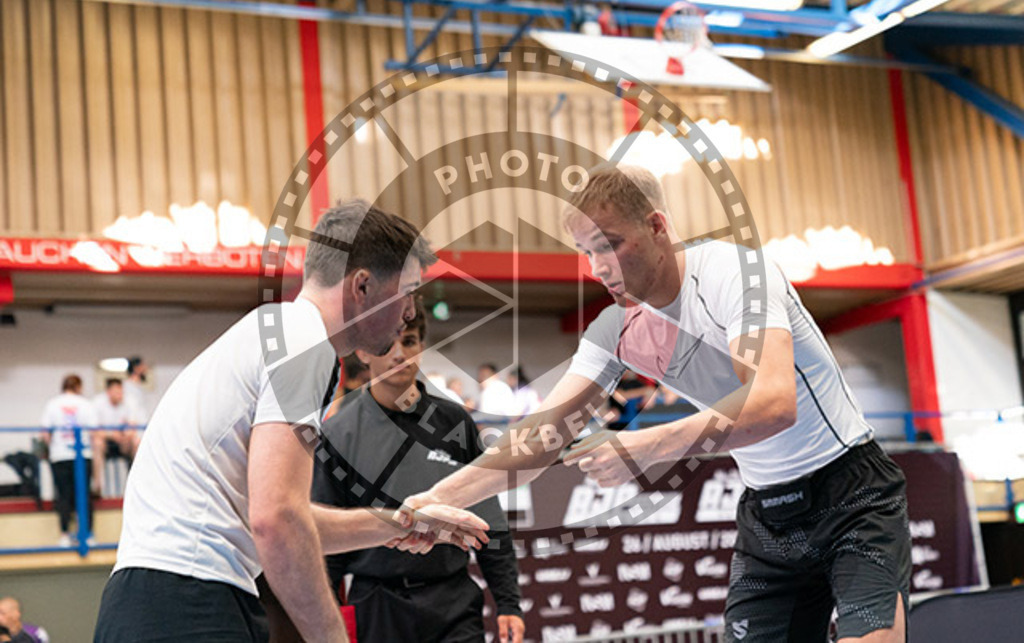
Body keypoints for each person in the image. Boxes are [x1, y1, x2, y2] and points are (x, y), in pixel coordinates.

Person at [401, 166, 911, 643]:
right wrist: (438, 498)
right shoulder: (615, 330)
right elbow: (538, 437)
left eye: (611, 245)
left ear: (657, 226)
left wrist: (647, 445)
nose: (599, 267)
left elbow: (773, 404)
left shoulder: (734, 273)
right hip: (768, 512)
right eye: (585, 251)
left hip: (850, 493)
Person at [94, 200, 491, 643]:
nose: (410, 313)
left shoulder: (274, 331)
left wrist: (401, 522)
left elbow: (283, 517)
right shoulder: (304, 342)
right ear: (362, 285)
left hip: (152, 598)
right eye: (408, 292)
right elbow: (277, 520)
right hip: (189, 600)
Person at [313, 298, 525, 643]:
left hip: (454, 605)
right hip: (377, 607)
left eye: (409, 341)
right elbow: (325, 538)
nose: (399, 354)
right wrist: (325, 619)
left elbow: (489, 522)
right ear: (363, 352)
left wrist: (508, 604)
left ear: (421, 346)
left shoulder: (454, 423)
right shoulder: (338, 433)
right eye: (387, 344)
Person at [40, 375, 101, 547]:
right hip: (82, 455)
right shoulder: (86, 404)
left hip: (60, 455)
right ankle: (88, 534)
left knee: (64, 496)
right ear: (79, 387)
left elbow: (45, 434)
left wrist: (52, 447)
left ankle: (65, 534)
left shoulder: (52, 404)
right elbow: (94, 433)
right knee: (84, 495)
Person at [92, 378, 138, 496]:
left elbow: (133, 426)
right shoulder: (97, 402)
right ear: (108, 392)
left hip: (123, 442)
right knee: (97, 443)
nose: (119, 395)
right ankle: (98, 486)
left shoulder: (129, 401)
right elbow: (94, 430)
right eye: (116, 392)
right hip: (106, 442)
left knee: (136, 442)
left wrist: (125, 435)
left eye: (121, 391)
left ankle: (137, 485)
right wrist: (112, 435)